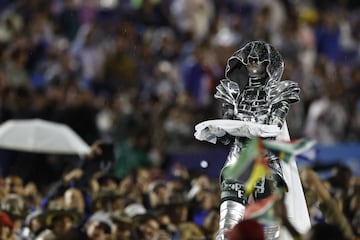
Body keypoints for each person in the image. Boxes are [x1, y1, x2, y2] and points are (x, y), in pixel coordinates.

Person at [194, 41, 310, 239]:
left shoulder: (279, 92)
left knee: (270, 229)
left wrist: (242, 128)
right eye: (250, 61)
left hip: (267, 161)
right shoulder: (232, 92)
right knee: (228, 224)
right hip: (238, 158)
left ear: (268, 64)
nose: (253, 65)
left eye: (258, 61)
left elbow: (273, 127)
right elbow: (229, 126)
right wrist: (218, 130)